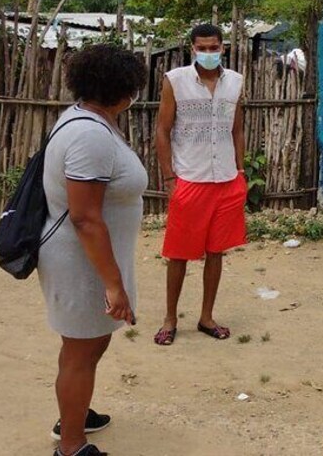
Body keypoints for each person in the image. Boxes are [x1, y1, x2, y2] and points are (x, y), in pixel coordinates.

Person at [39, 44, 148, 456]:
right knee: (81, 350)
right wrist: (113, 284)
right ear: (124, 90)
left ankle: (75, 413)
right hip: (80, 262)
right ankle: (71, 446)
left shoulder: (87, 119)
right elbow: (84, 217)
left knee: (89, 344)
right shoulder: (88, 135)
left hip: (91, 260)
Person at [154, 23, 247, 346]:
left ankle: (206, 317)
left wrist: (240, 170)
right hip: (189, 179)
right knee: (178, 254)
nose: (208, 53)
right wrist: (169, 177)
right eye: (202, 48)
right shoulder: (175, 81)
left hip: (226, 180)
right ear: (191, 48)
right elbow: (162, 131)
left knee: (216, 252)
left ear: (223, 47)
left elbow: (236, 130)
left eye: (214, 47)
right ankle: (169, 318)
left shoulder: (235, 83)